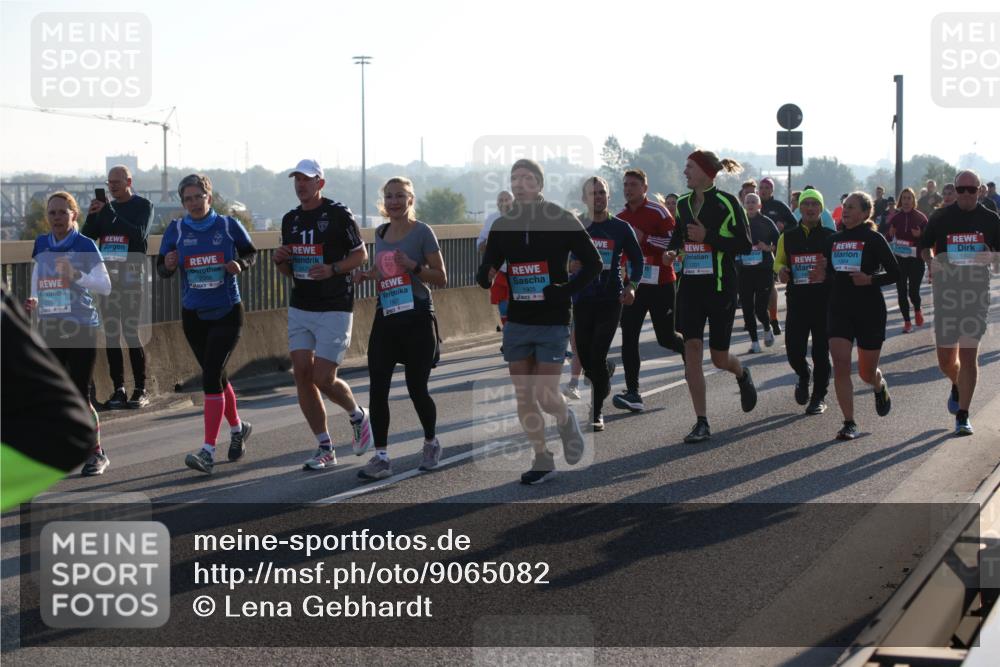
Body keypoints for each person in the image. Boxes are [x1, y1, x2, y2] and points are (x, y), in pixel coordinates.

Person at [477, 158, 602, 484]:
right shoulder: (503, 225)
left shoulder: (562, 219)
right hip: (517, 319)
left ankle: (565, 419)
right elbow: (488, 265)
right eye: (514, 178)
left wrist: (565, 291)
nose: (519, 183)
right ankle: (542, 457)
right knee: (524, 395)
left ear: (539, 184)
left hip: (553, 319)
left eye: (526, 178)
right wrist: (484, 274)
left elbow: (594, 263)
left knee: (546, 395)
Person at [272, 159, 372, 472]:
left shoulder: (338, 214)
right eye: (297, 180)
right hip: (302, 304)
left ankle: (357, 414)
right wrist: (280, 261)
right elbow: (290, 271)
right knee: (301, 373)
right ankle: (325, 447)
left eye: (308, 179)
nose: (301, 184)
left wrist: (333, 269)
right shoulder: (290, 219)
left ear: (320, 183)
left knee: (323, 378)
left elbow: (361, 254)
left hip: (334, 305)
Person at [158, 174, 256, 474]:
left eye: (198, 197)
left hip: (227, 311)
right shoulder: (175, 229)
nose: (193, 203)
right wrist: (169, 265)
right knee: (217, 376)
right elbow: (162, 268)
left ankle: (208, 451)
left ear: (208, 198)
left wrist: (240, 264)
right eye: (187, 199)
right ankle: (238, 428)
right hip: (193, 314)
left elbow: (250, 253)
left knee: (211, 376)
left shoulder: (227, 225)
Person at [350, 177, 446, 479]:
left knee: (417, 388)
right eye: (389, 197)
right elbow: (384, 269)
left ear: (411, 200)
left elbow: (441, 277)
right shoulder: (380, 232)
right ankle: (381, 457)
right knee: (377, 388)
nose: (393, 202)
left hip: (417, 317)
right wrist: (368, 275)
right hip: (387, 315)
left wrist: (414, 266)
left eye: (400, 196)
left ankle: (431, 442)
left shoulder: (423, 232)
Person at [665, 150, 757, 443]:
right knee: (691, 352)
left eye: (689, 167)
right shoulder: (681, 204)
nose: (684, 172)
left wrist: (709, 238)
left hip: (720, 288)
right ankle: (701, 421)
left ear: (706, 171)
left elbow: (744, 244)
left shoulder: (728, 203)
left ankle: (742, 374)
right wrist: (672, 251)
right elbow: (679, 237)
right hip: (690, 288)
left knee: (718, 358)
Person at [24, 191, 112, 475]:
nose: (57, 218)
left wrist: (77, 276)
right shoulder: (41, 243)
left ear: (74, 214)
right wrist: (34, 298)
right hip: (50, 325)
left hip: (81, 326)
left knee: (78, 392)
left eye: (63, 212)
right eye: (52, 213)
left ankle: (97, 453)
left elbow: (105, 286)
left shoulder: (84, 245)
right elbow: (39, 274)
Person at [920, 170, 1000, 436]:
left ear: (980, 190)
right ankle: (956, 383)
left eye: (971, 189)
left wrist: (992, 258)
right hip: (946, 295)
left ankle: (963, 415)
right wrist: (931, 262)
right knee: (945, 360)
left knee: (968, 353)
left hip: (975, 295)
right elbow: (923, 246)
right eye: (961, 189)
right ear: (954, 190)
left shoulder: (991, 219)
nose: (966, 194)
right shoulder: (941, 216)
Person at [815, 192, 899, 440]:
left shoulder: (874, 238)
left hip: (869, 309)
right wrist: (821, 275)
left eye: (852, 207)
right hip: (839, 308)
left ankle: (878, 384)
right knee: (840, 364)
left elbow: (896, 273)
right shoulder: (833, 240)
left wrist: (870, 279)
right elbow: (830, 274)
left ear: (865, 213)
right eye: (845, 206)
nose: (847, 210)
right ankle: (849, 422)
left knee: (865, 372)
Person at [2, 290, 96, 508]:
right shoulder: (41, 254)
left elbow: (72, 433)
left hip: (80, 328)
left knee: (80, 397)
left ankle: (98, 452)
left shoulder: (84, 254)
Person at [570, 176, 642, 431]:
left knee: (597, 353)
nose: (597, 197)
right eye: (592, 193)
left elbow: (638, 260)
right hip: (582, 299)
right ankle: (604, 373)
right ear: (584, 198)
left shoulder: (621, 228)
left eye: (602, 192)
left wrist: (632, 286)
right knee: (589, 359)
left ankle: (597, 412)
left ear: (608, 197)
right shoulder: (575, 226)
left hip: (611, 299)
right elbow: (556, 259)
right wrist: (570, 265)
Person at [613, 168, 685, 413]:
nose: (628, 188)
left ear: (644, 188)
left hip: (661, 284)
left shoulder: (659, 211)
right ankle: (633, 392)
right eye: (625, 184)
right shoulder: (620, 217)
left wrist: (645, 239)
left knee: (666, 337)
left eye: (633, 184)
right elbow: (618, 252)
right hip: (634, 285)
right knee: (629, 336)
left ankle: (690, 355)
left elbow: (674, 242)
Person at [82, 165, 153, 409]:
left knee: (130, 332)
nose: (112, 186)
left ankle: (141, 388)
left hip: (131, 276)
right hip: (107, 277)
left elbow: (138, 234)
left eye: (117, 181)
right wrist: (92, 214)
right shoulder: (104, 209)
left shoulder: (143, 206)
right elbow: (87, 236)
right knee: (112, 334)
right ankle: (119, 388)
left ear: (129, 181)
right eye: (109, 182)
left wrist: (109, 211)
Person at [773, 188, 835, 415]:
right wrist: (781, 271)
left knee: (821, 351)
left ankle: (819, 396)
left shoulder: (830, 236)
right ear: (799, 208)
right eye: (806, 204)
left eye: (814, 205)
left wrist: (827, 268)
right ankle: (802, 373)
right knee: (793, 350)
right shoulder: (787, 236)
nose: (810, 208)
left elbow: (838, 267)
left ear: (821, 208)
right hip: (797, 301)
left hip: (823, 301)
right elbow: (777, 262)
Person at [738, 193, 779, 353]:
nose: (750, 204)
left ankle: (767, 327)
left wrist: (767, 248)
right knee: (747, 307)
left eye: (754, 201)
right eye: (748, 202)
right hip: (745, 271)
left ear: (759, 205)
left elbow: (778, 242)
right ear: (744, 204)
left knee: (760, 308)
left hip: (763, 270)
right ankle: (754, 342)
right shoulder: (740, 222)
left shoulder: (766, 222)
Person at [886, 188, 928, 333]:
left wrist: (920, 235)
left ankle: (917, 309)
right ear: (900, 201)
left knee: (913, 292)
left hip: (916, 260)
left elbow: (929, 240)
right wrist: (890, 235)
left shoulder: (921, 218)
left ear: (913, 200)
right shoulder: (895, 218)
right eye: (903, 198)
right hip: (900, 259)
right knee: (901, 291)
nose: (906, 201)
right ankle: (907, 322)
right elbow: (888, 239)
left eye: (909, 198)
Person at [759, 177, 797, 335]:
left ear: (772, 190)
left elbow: (795, 224)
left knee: (770, 285)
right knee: (757, 289)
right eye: (761, 187)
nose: (764, 190)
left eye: (767, 187)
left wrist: (784, 226)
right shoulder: (754, 205)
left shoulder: (779, 206)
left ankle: (773, 318)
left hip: (773, 250)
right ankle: (762, 315)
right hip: (755, 253)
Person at [478, 190, 514, 332]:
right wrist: (486, 246)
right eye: (501, 200)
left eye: (507, 200)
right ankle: (508, 335)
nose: (504, 203)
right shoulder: (492, 219)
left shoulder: (522, 217)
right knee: (503, 306)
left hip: (519, 270)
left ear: (513, 201)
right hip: (499, 270)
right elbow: (481, 242)